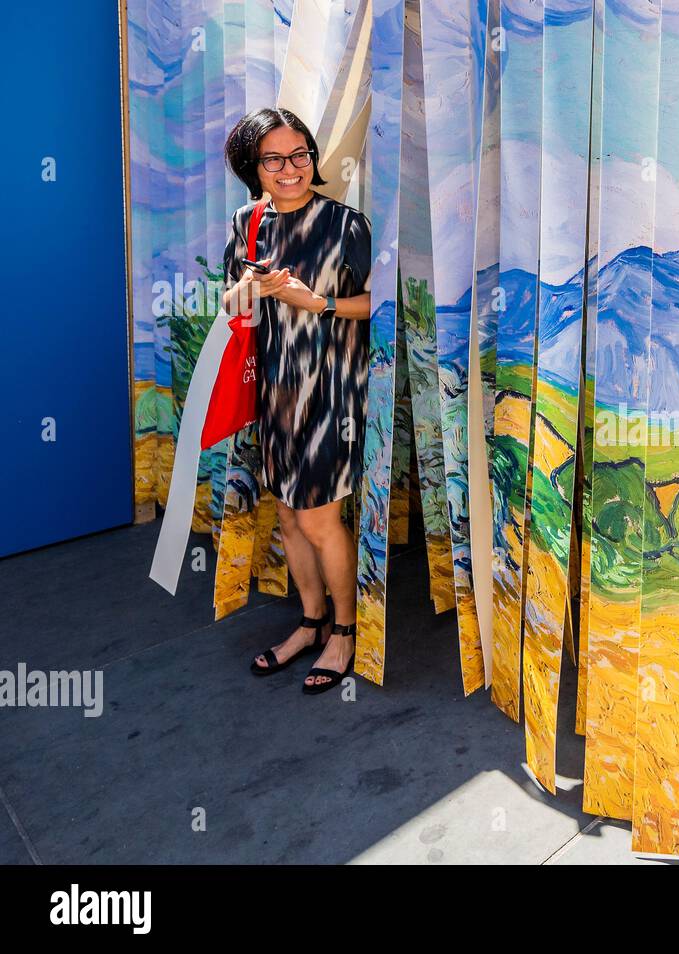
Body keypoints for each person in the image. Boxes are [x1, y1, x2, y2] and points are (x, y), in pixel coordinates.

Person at [220, 107, 373, 694]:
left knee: (317, 515)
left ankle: (345, 630)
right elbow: (235, 305)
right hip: (275, 390)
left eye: (300, 154)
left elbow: (377, 308)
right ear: (252, 167)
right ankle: (309, 623)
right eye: (275, 159)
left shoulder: (345, 224)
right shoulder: (248, 222)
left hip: (332, 390)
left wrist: (319, 304)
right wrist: (252, 287)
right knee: (286, 511)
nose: (291, 168)